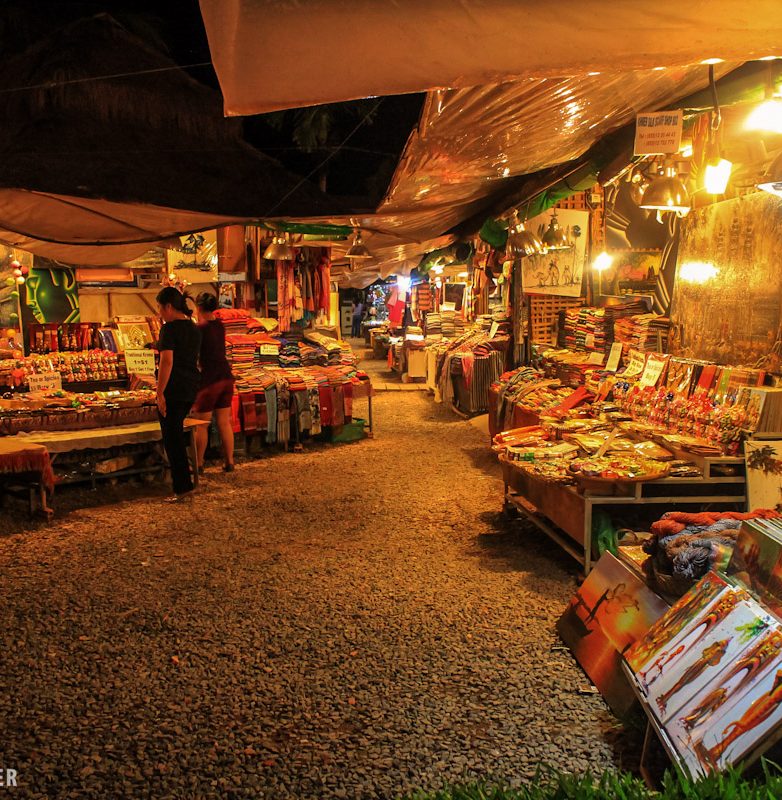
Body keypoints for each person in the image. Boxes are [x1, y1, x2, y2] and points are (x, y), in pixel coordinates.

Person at [155, 286, 201, 501]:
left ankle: (182, 488)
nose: (159, 313)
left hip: (173, 389)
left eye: (159, 308)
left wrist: (160, 392)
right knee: (177, 437)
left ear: (169, 307)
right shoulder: (193, 328)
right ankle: (185, 485)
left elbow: (167, 361)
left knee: (173, 440)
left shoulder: (169, 330)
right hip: (190, 386)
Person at [192, 293, 235, 473]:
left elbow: (194, 353)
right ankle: (229, 462)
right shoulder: (220, 325)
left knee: (201, 424)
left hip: (210, 380)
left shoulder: (200, 328)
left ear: (199, 307)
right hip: (226, 377)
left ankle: (198, 464)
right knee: (224, 422)